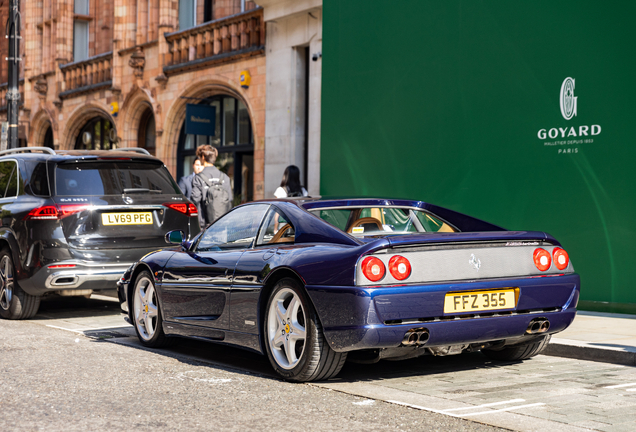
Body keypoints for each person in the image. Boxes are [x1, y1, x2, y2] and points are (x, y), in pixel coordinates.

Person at [191, 145, 233, 228]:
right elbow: (230, 200)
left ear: (203, 157)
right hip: (223, 225)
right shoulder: (224, 177)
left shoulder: (198, 178)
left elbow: (195, 200)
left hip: (205, 226)